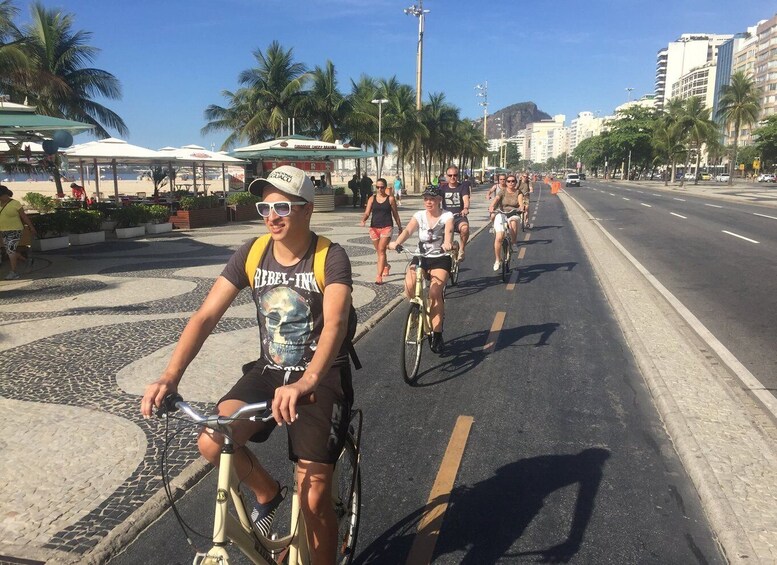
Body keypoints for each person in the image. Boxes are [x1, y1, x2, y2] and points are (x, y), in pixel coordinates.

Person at [140, 165, 355, 563]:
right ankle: (267, 492)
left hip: (319, 378)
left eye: (283, 207)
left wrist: (307, 381)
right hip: (270, 371)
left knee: (313, 495)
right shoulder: (252, 253)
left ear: (307, 210)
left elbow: (336, 325)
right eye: (265, 207)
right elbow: (205, 317)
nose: (272, 216)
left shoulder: (330, 256)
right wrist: (170, 376)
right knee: (212, 439)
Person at [389, 186, 453, 353]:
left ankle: (437, 334)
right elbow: (409, 229)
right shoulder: (419, 216)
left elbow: (449, 232)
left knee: (434, 293)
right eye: (426, 198)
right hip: (421, 257)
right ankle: (417, 311)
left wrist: (447, 243)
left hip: (440, 258)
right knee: (409, 285)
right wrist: (398, 242)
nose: (428, 202)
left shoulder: (447, 216)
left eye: (432, 198)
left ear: (439, 200)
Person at [360, 178, 402, 284]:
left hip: (387, 227)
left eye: (382, 187)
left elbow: (395, 214)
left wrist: (400, 227)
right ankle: (386, 266)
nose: (380, 189)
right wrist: (363, 220)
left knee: (382, 250)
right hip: (374, 228)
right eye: (377, 187)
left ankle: (379, 276)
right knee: (379, 251)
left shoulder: (391, 199)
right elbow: (367, 212)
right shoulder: (371, 199)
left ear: (385, 187)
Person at [0, 185, 36, 280]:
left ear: (4, 195)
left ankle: (13, 272)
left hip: (15, 230)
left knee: (10, 251)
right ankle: (27, 261)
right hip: (2, 230)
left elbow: (24, 217)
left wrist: (31, 227)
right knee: (8, 250)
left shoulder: (15, 203)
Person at [488, 174, 522, 271]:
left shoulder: (518, 192)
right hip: (502, 213)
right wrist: (492, 206)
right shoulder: (502, 191)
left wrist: (521, 207)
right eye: (509, 181)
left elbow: (520, 202)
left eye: (513, 181)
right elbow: (496, 199)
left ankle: (514, 243)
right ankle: (498, 260)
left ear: (516, 182)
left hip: (514, 213)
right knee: (499, 237)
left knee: (513, 222)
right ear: (506, 183)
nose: (511, 183)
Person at [439, 165, 470, 262]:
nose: (452, 177)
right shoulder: (442, 188)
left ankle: (462, 249)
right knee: (443, 241)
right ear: (446, 176)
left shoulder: (462, 187)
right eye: (450, 175)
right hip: (446, 218)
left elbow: (466, 199)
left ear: (458, 176)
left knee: (465, 229)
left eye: (455, 175)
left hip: (459, 216)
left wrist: (465, 208)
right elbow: (436, 200)